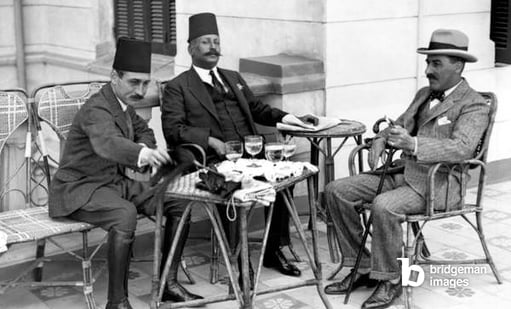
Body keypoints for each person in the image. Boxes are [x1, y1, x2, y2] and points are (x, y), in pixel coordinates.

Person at [323, 29, 490, 309]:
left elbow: (462, 148)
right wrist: (381, 139)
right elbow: (399, 124)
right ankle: (362, 267)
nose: (427, 70)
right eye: (427, 63)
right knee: (336, 190)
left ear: (458, 66)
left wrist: (412, 144)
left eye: (435, 63)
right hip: (404, 173)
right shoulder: (425, 94)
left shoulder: (473, 104)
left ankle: (391, 280)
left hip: (441, 183)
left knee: (384, 205)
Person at [48, 37, 202, 309]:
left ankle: (168, 283)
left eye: (145, 83)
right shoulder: (97, 108)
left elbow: (144, 131)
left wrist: (147, 147)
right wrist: (143, 155)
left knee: (178, 202)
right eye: (134, 82)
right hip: (79, 189)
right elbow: (108, 142)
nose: (141, 91)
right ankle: (117, 303)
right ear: (114, 77)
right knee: (124, 214)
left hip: (113, 184)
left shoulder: (123, 106)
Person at [161, 12, 317, 279]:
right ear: (190, 49)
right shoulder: (178, 87)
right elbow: (173, 130)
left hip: (251, 155)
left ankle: (273, 250)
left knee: (283, 180)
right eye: (205, 42)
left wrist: (292, 118)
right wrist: (210, 140)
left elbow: (257, 109)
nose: (213, 47)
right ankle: (239, 258)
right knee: (234, 190)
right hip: (210, 162)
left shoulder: (233, 77)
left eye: (216, 41)